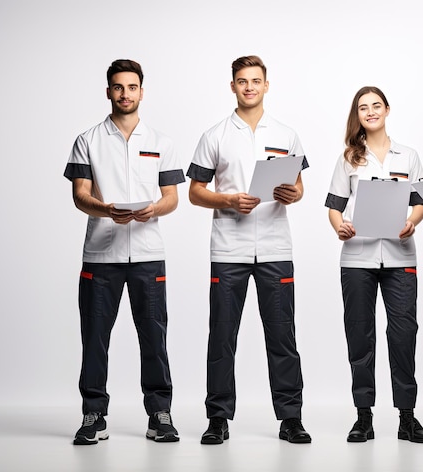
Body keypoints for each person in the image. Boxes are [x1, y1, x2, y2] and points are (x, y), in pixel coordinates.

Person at [187, 55, 311, 445]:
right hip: (229, 249)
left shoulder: (287, 134)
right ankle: (218, 418)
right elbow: (195, 192)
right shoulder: (215, 135)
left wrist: (292, 193)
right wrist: (227, 201)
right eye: (242, 81)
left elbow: (299, 187)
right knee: (222, 335)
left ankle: (290, 418)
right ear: (233, 86)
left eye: (256, 81)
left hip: (275, 247)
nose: (249, 87)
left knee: (282, 336)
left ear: (266, 85)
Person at [64, 59, 185, 445]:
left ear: (141, 92)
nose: (125, 94)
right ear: (108, 92)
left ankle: (159, 414)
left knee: (154, 335)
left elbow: (171, 199)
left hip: (149, 254)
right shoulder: (88, 140)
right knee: (95, 336)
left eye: (132, 87)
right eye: (118, 87)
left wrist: (153, 209)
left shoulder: (161, 142)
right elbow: (80, 196)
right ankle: (93, 414)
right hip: (101, 256)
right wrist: (106, 210)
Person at [325, 86, 423, 443]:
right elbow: (334, 206)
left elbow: (419, 203)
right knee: (360, 335)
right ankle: (363, 417)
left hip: (401, 256)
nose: (370, 112)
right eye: (362, 108)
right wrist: (338, 225)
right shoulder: (348, 159)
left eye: (376, 106)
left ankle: (407, 417)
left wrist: (413, 221)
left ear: (387, 109)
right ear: (357, 116)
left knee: (403, 335)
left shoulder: (409, 156)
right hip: (358, 256)